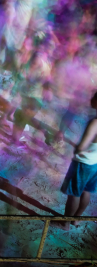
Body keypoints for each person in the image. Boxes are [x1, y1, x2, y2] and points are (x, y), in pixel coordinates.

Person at [59, 90, 97, 223]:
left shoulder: (95, 123)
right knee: (86, 191)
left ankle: (65, 223)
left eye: (94, 97)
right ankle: (76, 218)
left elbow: (81, 147)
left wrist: (75, 149)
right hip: (95, 164)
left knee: (74, 193)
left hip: (83, 163)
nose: (91, 99)